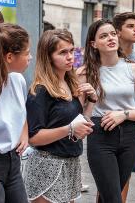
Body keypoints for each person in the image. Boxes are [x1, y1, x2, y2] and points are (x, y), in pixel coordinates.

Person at [78, 19, 135, 203]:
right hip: (100, 133)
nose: (110, 38)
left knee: (110, 195)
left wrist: (124, 114)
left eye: (112, 34)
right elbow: (77, 114)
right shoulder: (84, 72)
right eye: (104, 36)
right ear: (93, 44)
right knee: (113, 198)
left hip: (129, 135)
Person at [24, 29, 95, 203]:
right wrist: (69, 129)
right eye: (63, 52)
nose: (70, 57)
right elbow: (33, 137)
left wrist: (91, 100)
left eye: (71, 51)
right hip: (47, 166)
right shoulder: (40, 90)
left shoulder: (71, 83)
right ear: (48, 57)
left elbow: (80, 123)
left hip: (71, 163)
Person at [0, 23, 30, 203]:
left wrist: (24, 133)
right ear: (10, 57)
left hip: (13, 162)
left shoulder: (18, 80)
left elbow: (21, 112)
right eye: (27, 53)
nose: (30, 57)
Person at [112, 11, 135, 203]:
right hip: (108, 121)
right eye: (130, 26)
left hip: (132, 122)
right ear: (117, 31)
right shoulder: (105, 56)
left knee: (125, 173)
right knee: (107, 178)